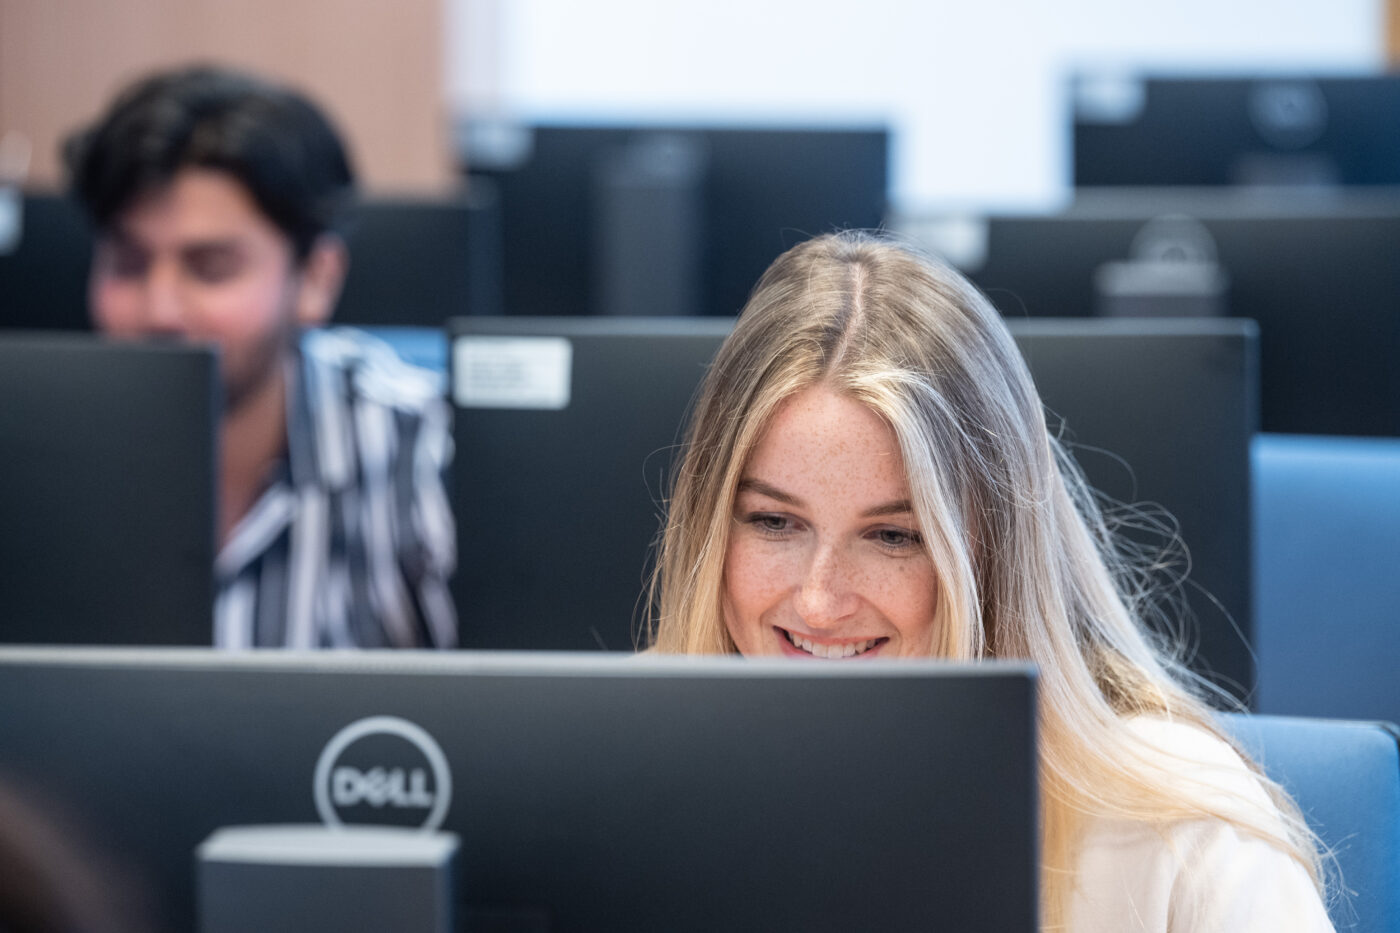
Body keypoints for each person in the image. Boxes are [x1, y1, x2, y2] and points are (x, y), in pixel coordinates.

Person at [646, 231, 1335, 931]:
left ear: (994, 555)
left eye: (894, 536)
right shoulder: (626, 789)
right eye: (774, 522)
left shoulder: (1187, 838)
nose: (820, 600)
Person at [64, 65, 456, 649]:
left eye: (212, 268)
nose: (160, 311)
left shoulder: (423, 449)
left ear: (316, 279)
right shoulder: (37, 453)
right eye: (128, 264)